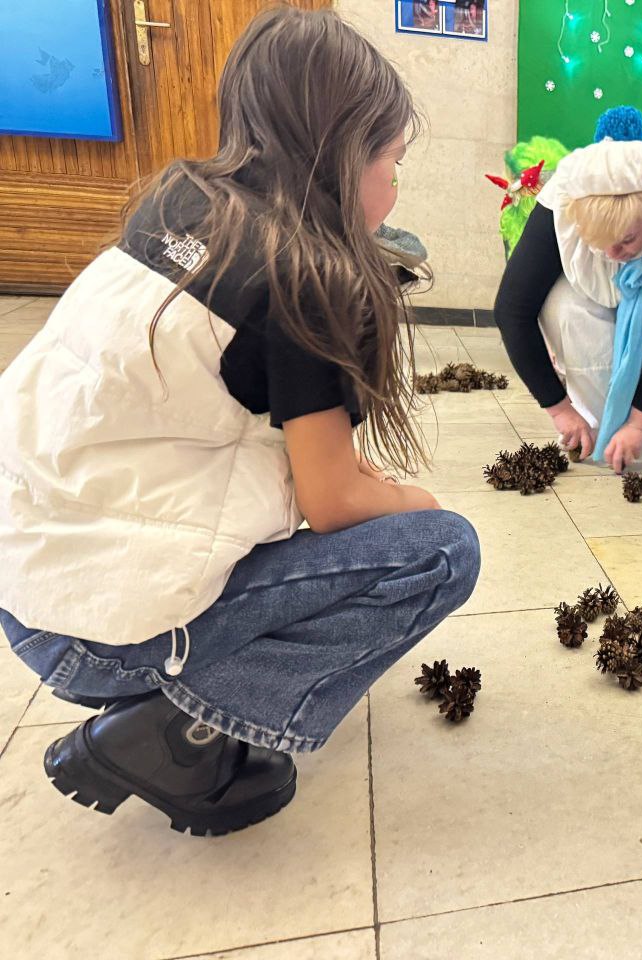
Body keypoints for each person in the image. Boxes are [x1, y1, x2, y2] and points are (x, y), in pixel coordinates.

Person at [0, 9, 480, 835]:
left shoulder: (180, 201)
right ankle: (176, 731)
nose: (395, 188)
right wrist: (415, 500)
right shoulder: (306, 279)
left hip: (27, 596)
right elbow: (333, 501)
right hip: (99, 643)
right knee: (439, 550)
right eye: (391, 160)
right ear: (338, 154)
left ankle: (169, 704)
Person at [494, 107, 642, 473]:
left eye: (625, 241)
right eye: (599, 243)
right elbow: (511, 310)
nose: (612, 255)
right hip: (591, 293)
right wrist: (559, 409)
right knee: (566, 309)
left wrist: (640, 423)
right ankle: (596, 412)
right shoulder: (559, 203)